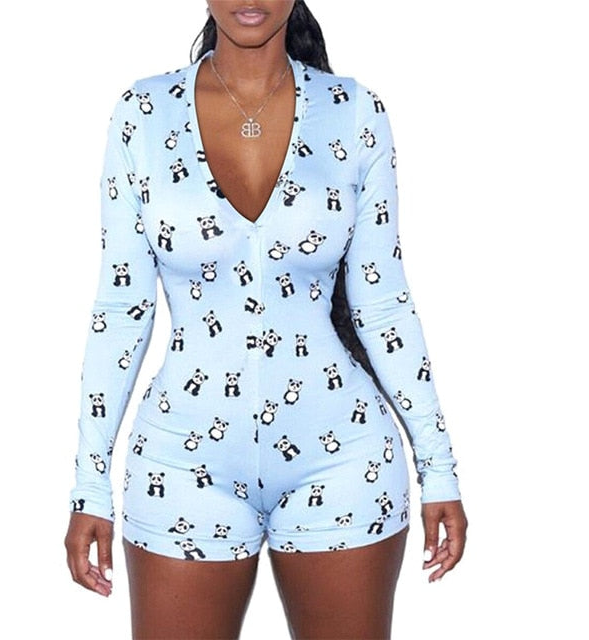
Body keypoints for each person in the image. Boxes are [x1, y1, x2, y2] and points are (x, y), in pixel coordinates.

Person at [64, 1, 468, 637]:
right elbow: (122, 308)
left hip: (343, 460)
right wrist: (90, 482)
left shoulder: (353, 112)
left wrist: (437, 467)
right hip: (180, 463)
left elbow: (382, 301)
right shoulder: (143, 114)